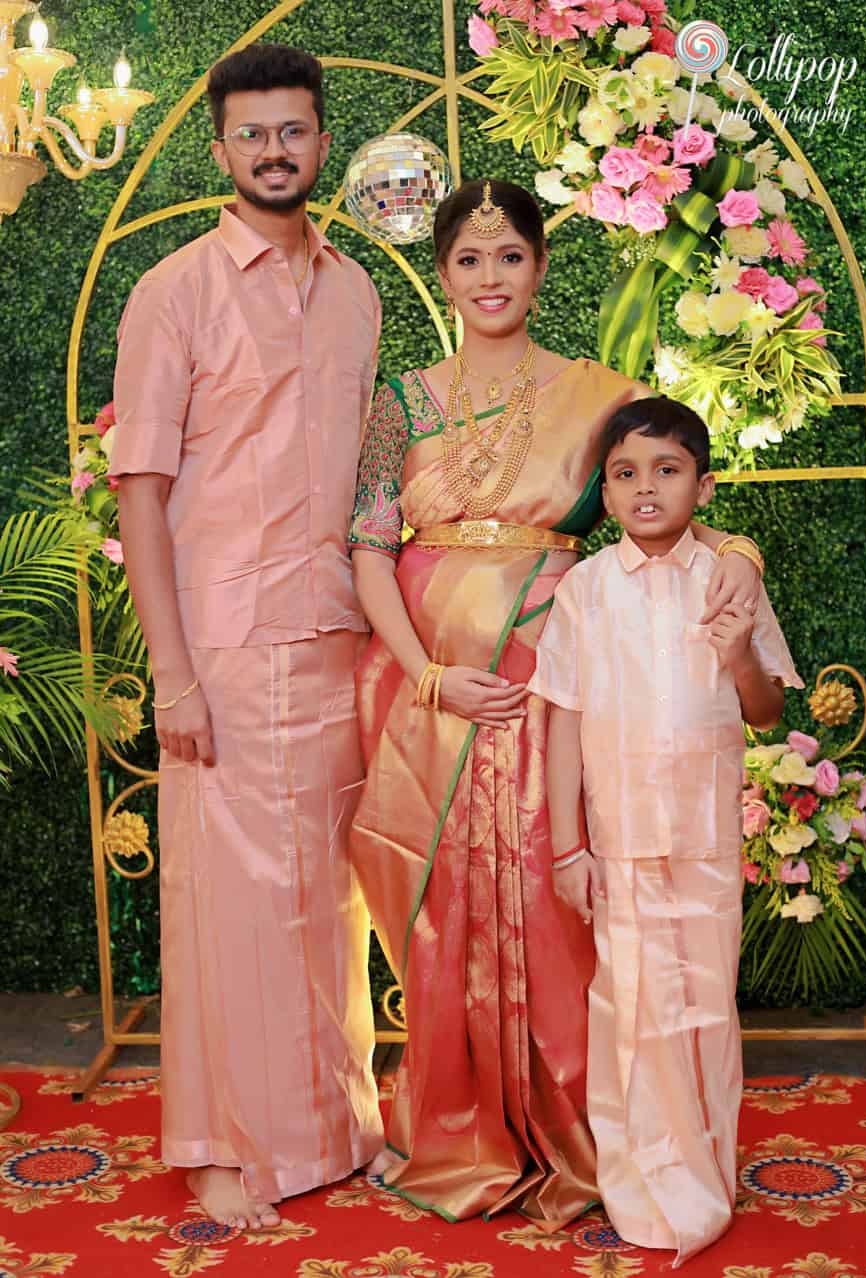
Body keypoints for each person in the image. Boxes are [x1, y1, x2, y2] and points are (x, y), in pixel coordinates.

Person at [347, 178, 763, 1226]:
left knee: (552, 900)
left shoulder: (602, 395)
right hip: (432, 702)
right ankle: (459, 1129)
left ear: (540, 266)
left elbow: (676, 506)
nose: (491, 278)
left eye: (511, 257)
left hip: (560, 694)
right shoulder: (401, 403)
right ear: (441, 274)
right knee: (447, 917)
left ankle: (584, 1137)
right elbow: (364, 548)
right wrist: (429, 675)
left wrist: (747, 555)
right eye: (470, 260)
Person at [110, 43, 383, 1232]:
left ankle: (336, 1125)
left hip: (334, 635)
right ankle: (220, 1145)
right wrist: (170, 671)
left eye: (296, 130)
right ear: (221, 149)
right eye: (253, 134)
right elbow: (140, 490)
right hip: (219, 647)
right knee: (225, 901)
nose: (276, 150)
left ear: (322, 141)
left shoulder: (359, 294)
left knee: (331, 895)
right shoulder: (173, 292)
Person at [530, 396, 803, 1263]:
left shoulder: (726, 580)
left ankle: (705, 1174)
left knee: (703, 1010)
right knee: (632, 1010)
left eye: (667, 469)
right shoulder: (583, 591)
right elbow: (563, 721)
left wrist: (737, 656)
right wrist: (567, 847)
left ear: (704, 485)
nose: (646, 488)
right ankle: (643, 1182)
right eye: (624, 474)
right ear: (604, 495)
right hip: (617, 842)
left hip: (705, 842)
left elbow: (764, 713)